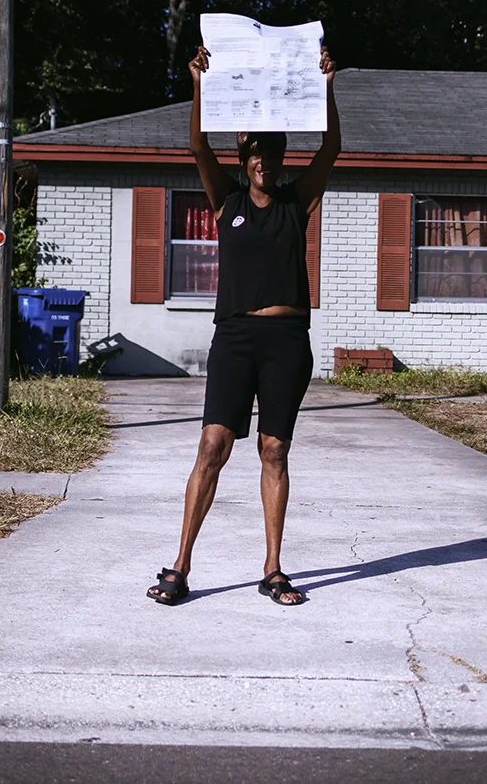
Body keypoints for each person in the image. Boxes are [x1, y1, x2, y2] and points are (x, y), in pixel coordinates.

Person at [146, 41, 340, 607]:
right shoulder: (225, 201)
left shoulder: (296, 203)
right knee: (213, 444)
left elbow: (331, 147)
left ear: (281, 158)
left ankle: (273, 570)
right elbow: (196, 146)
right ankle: (181, 566)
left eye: (273, 153)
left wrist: (327, 87)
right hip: (234, 339)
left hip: (287, 342)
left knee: (274, 450)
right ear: (244, 155)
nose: (265, 162)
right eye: (256, 153)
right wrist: (198, 85)